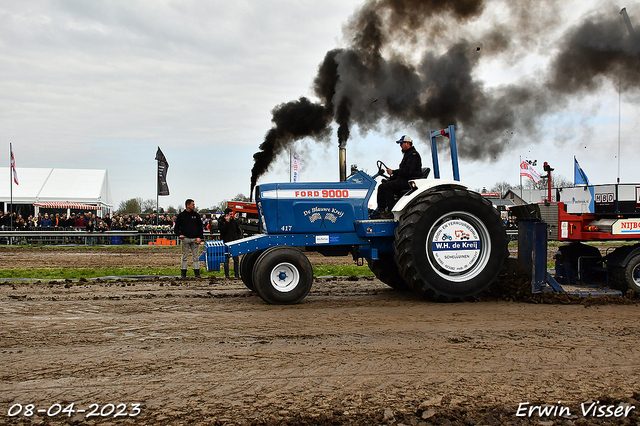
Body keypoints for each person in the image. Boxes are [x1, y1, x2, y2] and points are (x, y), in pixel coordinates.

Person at [372, 135, 422, 219]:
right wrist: (390, 179)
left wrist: (393, 172)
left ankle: (391, 212)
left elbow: (408, 171)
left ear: (407, 143)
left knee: (387, 187)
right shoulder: (407, 155)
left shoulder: (413, 155)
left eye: (401, 144)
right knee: (382, 186)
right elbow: (402, 173)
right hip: (404, 179)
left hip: (410, 181)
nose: (400, 146)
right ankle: (381, 211)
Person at [174, 199, 204, 278]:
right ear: (188, 205)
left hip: (195, 239)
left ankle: (197, 273)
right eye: (192, 205)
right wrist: (179, 235)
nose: (194, 206)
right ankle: (183, 273)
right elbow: (176, 227)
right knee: (184, 257)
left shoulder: (196, 215)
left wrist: (199, 237)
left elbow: (200, 227)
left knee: (196, 257)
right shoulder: (181, 215)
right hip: (185, 239)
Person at [218, 208, 243, 278]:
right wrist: (227, 222)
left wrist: (237, 238)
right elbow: (222, 230)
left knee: (236, 259)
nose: (232, 216)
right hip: (226, 242)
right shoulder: (221, 221)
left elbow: (238, 230)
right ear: (226, 214)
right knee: (226, 259)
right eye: (230, 214)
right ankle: (227, 275)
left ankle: (237, 275)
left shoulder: (234, 221)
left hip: (234, 241)